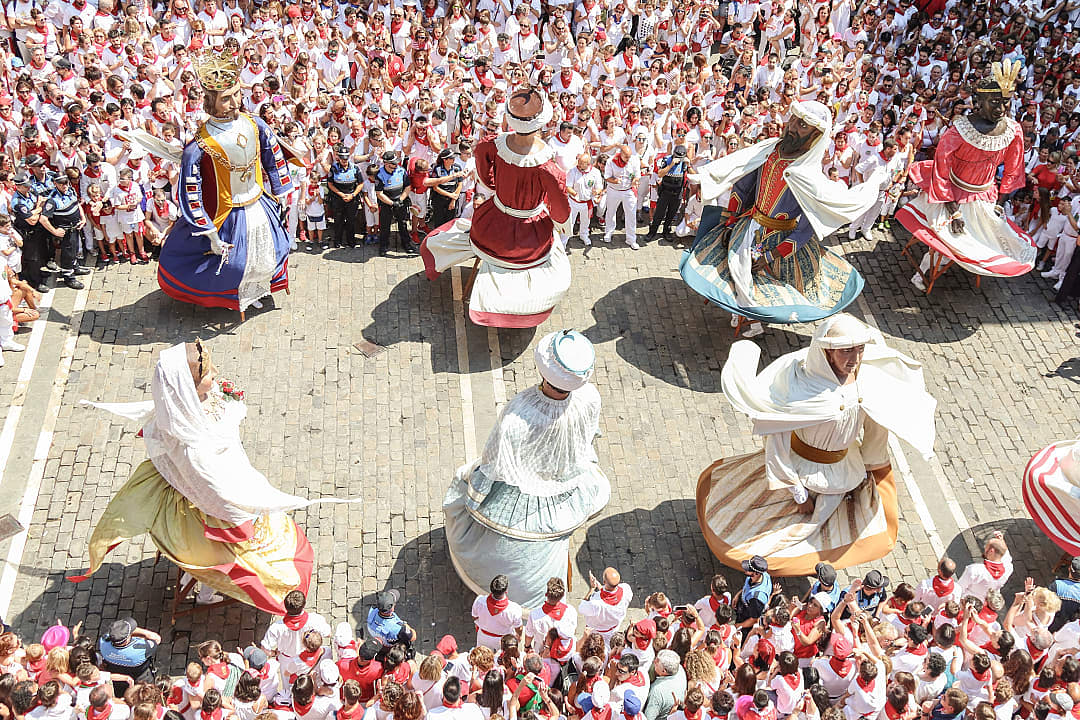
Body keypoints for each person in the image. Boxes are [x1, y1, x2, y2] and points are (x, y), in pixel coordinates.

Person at [72, 341, 351, 613]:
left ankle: (194, 578)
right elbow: (212, 488)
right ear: (186, 387)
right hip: (212, 503)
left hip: (225, 482)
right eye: (207, 374)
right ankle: (207, 591)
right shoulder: (189, 443)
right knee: (234, 561)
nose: (215, 374)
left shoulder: (182, 404)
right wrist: (243, 513)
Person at [696, 313, 937, 576]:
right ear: (827, 351)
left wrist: (874, 465)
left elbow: (877, 426)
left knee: (824, 533)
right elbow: (776, 442)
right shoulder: (801, 389)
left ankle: (815, 568)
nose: (855, 358)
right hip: (800, 473)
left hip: (843, 471)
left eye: (859, 349)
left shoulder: (868, 380)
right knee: (784, 533)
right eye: (846, 350)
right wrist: (797, 493)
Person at [681, 102, 880, 338]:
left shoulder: (809, 178)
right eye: (794, 119)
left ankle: (753, 319)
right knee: (731, 267)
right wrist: (731, 220)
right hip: (749, 224)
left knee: (755, 280)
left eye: (802, 126)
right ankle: (742, 311)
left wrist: (770, 255)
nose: (792, 127)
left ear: (815, 136)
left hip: (777, 242)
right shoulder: (769, 151)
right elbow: (743, 186)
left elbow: (806, 229)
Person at [443, 330, 609, 607]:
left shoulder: (518, 413)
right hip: (566, 484)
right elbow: (587, 438)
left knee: (465, 482)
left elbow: (494, 461)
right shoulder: (590, 398)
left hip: (519, 487)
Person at [131, 47, 294, 315]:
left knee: (272, 251)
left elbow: (273, 156)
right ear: (211, 102)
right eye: (226, 99)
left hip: (258, 203)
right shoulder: (200, 145)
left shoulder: (256, 125)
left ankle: (256, 290)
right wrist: (209, 232)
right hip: (227, 212)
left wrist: (282, 192)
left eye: (237, 95)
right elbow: (191, 192)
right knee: (235, 264)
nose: (235, 103)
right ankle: (235, 296)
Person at [421, 86, 571, 328]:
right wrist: (561, 224)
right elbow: (561, 212)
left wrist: (497, 187)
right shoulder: (548, 168)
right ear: (541, 123)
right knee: (552, 253)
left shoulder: (492, 145)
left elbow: (484, 171)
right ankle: (516, 306)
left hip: (494, 218)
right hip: (528, 231)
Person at [898, 61, 1035, 292]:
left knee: (992, 238)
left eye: (1005, 102)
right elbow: (941, 174)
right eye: (994, 102)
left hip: (985, 196)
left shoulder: (1013, 129)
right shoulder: (958, 131)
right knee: (948, 240)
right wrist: (954, 212)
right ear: (979, 103)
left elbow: (1013, 169)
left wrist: (999, 202)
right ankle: (921, 274)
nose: (1001, 109)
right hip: (951, 195)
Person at [10, 172, 47, 293]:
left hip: (36, 230)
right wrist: (39, 208)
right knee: (32, 258)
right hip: (27, 232)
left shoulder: (29, 193)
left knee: (40, 254)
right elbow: (31, 220)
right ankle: (35, 282)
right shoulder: (18, 201)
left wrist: (35, 211)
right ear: (18, 186)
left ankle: (39, 273)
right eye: (25, 186)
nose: (29, 188)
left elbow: (40, 201)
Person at [579, 567, 633, 646]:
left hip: (596, 632)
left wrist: (592, 588)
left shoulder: (596, 603)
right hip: (613, 629)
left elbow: (582, 608)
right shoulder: (626, 589)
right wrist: (600, 587)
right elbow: (611, 594)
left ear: (604, 581)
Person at [647, 145, 690, 243]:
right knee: (659, 213)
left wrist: (689, 165)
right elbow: (660, 173)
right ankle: (652, 232)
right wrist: (670, 165)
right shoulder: (666, 160)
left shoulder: (684, 163)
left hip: (678, 191)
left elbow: (692, 174)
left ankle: (666, 231)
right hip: (666, 191)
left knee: (671, 213)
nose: (679, 159)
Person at [97, 618, 160, 683]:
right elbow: (156, 638)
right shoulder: (141, 649)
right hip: (140, 675)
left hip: (116, 671)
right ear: (126, 640)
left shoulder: (103, 642)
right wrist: (139, 632)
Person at [603, 144, 641, 249]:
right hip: (614, 190)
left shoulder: (634, 160)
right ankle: (609, 232)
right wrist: (615, 181)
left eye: (629, 156)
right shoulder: (611, 161)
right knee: (610, 212)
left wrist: (635, 181)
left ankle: (631, 239)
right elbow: (607, 177)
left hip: (628, 191)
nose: (628, 159)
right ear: (620, 154)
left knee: (631, 215)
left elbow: (637, 175)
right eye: (626, 157)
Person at [375, 150, 412, 255]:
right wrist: (392, 203)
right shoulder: (380, 174)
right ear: (386, 163)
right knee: (385, 226)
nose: (396, 165)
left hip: (400, 201)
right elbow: (379, 193)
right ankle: (384, 246)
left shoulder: (401, 171)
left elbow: (408, 187)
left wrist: (401, 199)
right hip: (386, 203)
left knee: (403, 224)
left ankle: (406, 244)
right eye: (393, 163)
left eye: (396, 162)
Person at [472, 575, 523, 651]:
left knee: (483, 658)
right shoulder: (514, 609)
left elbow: (474, 617)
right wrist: (519, 635)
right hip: (504, 640)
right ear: (506, 591)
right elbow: (519, 628)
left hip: (484, 636)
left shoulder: (479, 601)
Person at [326, 143, 361, 248]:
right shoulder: (333, 168)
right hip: (338, 198)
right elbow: (330, 184)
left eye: (346, 159)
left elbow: (360, 183)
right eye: (342, 159)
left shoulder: (355, 168)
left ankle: (351, 240)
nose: (344, 161)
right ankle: (338, 241)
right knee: (338, 220)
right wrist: (341, 194)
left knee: (351, 220)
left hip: (352, 197)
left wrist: (353, 195)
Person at [426, 148, 465, 231]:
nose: (454, 160)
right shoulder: (437, 169)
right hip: (439, 199)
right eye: (451, 158)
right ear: (445, 160)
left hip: (452, 199)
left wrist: (453, 200)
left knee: (450, 223)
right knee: (439, 222)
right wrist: (450, 195)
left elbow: (460, 184)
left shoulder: (457, 168)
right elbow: (435, 187)